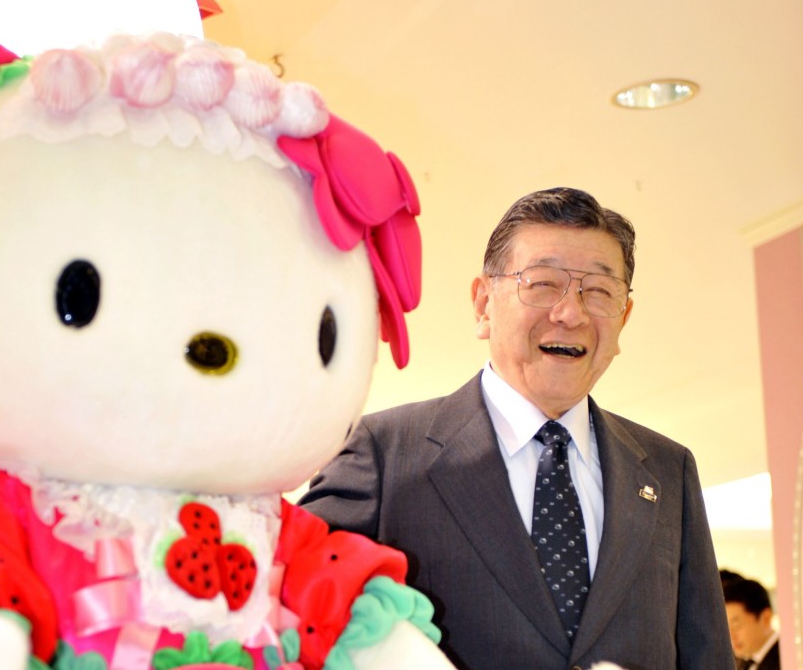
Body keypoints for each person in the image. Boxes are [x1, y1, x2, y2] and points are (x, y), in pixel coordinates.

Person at [299, 187, 735, 669]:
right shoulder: (381, 453)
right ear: (483, 303)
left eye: (599, 292)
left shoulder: (669, 471)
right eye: (543, 284)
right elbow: (296, 623)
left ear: (624, 317)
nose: (571, 313)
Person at [724, 577, 780, 669]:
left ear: (765, 619)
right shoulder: (743, 662)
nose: (731, 636)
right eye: (727, 628)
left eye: (735, 625)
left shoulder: (787, 656)